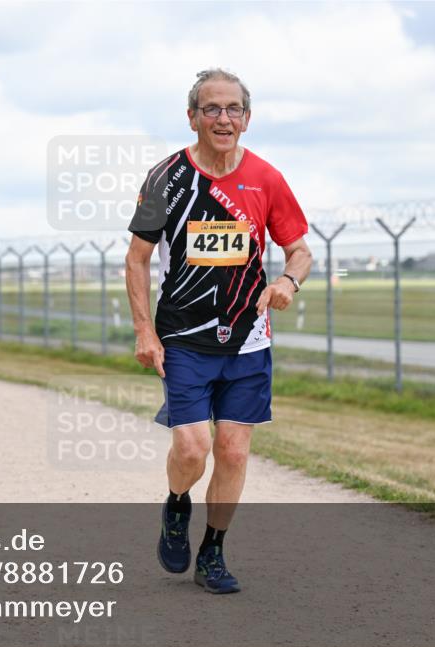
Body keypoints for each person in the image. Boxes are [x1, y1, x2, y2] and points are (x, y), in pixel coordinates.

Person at [125, 69, 312, 594]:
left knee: (232, 452)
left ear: (247, 119)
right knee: (192, 449)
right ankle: (176, 504)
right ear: (192, 117)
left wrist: (288, 281)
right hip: (184, 338)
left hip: (247, 340)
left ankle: (212, 550)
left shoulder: (267, 179)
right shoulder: (165, 179)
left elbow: (300, 250)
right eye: (211, 109)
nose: (223, 118)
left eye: (233, 109)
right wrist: (144, 332)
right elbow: (137, 259)